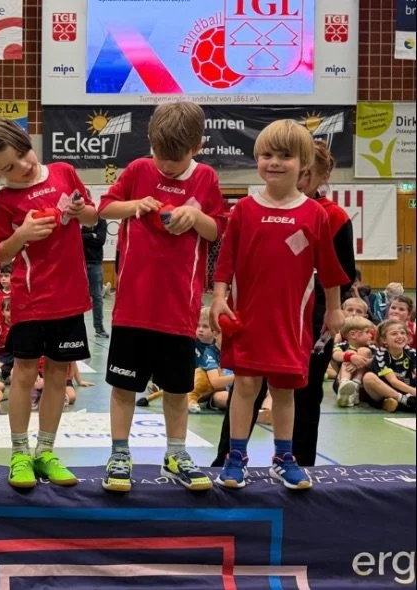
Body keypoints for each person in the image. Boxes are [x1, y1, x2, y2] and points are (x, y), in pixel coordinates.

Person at [211, 120, 347, 491]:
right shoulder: (243, 210)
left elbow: (330, 270)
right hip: (246, 318)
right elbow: (225, 262)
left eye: (285, 156)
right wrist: (219, 297)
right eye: (267, 155)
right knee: (245, 385)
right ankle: (235, 456)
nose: (274, 162)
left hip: (290, 321)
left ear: (304, 164)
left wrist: (334, 308)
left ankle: (284, 458)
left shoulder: (315, 214)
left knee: (285, 390)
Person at [98, 102, 225, 493]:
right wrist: (135, 205)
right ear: (150, 142)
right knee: (123, 387)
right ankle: (120, 453)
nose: (167, 166)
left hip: (179, 311)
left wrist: (195, 218)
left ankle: (176, 453)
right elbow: (105, 208)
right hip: (132, 309)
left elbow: (217, 229)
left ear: (197, 147)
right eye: (160, 155)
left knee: (177, 389)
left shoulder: (206, 178)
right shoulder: (138, 170)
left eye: (177, 159)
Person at [0, 117, 95, 489]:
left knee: (58, 375)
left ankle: (46, 452)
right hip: (30, 300)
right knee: (24, 375)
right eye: (9, 168)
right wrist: (22, 234)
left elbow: (92, 215)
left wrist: (79, 211)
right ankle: (20, 453)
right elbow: (2, 254)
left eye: (23, 155)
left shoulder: (64, 172)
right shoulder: (4, 201)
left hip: (70, 298)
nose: (23, 167)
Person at [82, 214, 108, 338]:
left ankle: (99, 328)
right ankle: (75, 329)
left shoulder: (101, 221)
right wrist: (91, 235)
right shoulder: (76, 220)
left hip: (95, 263)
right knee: (75, 298)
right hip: (78, 263)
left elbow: (100, 241)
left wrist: (84, 237)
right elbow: (75, 238)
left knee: (97, 297)